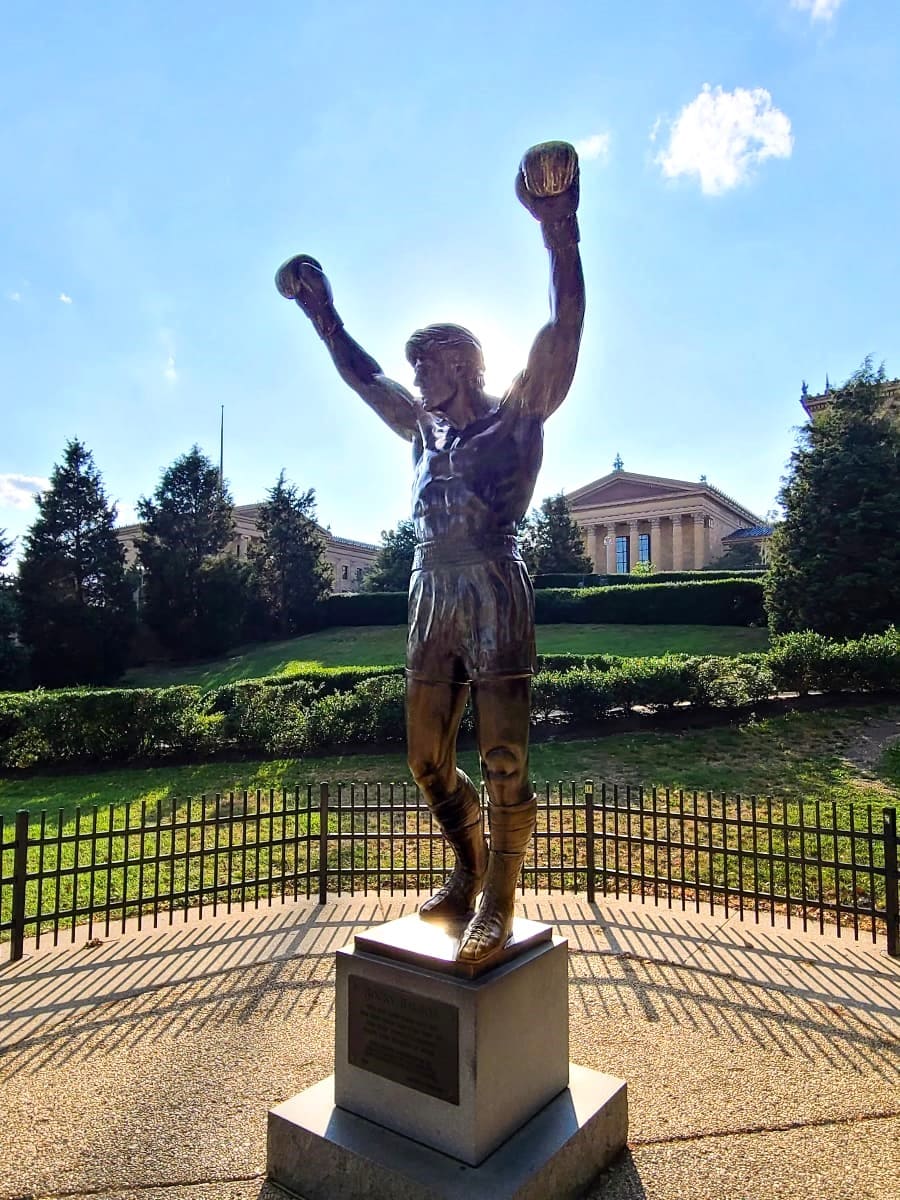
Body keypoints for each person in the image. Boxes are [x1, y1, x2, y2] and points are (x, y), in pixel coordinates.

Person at [275, 142, 585, 963]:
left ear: (461, 364)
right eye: (414, 366)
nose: (415, 378)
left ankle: (500, 898)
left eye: (427, 366)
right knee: (425, 759)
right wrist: (323, 314)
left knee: (504, 755)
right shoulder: (422, 428)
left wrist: (558, 227)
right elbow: (362, 376)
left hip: (492, 579)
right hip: (428, 586)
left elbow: (562, 330)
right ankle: (470, 865)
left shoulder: (517, 413)